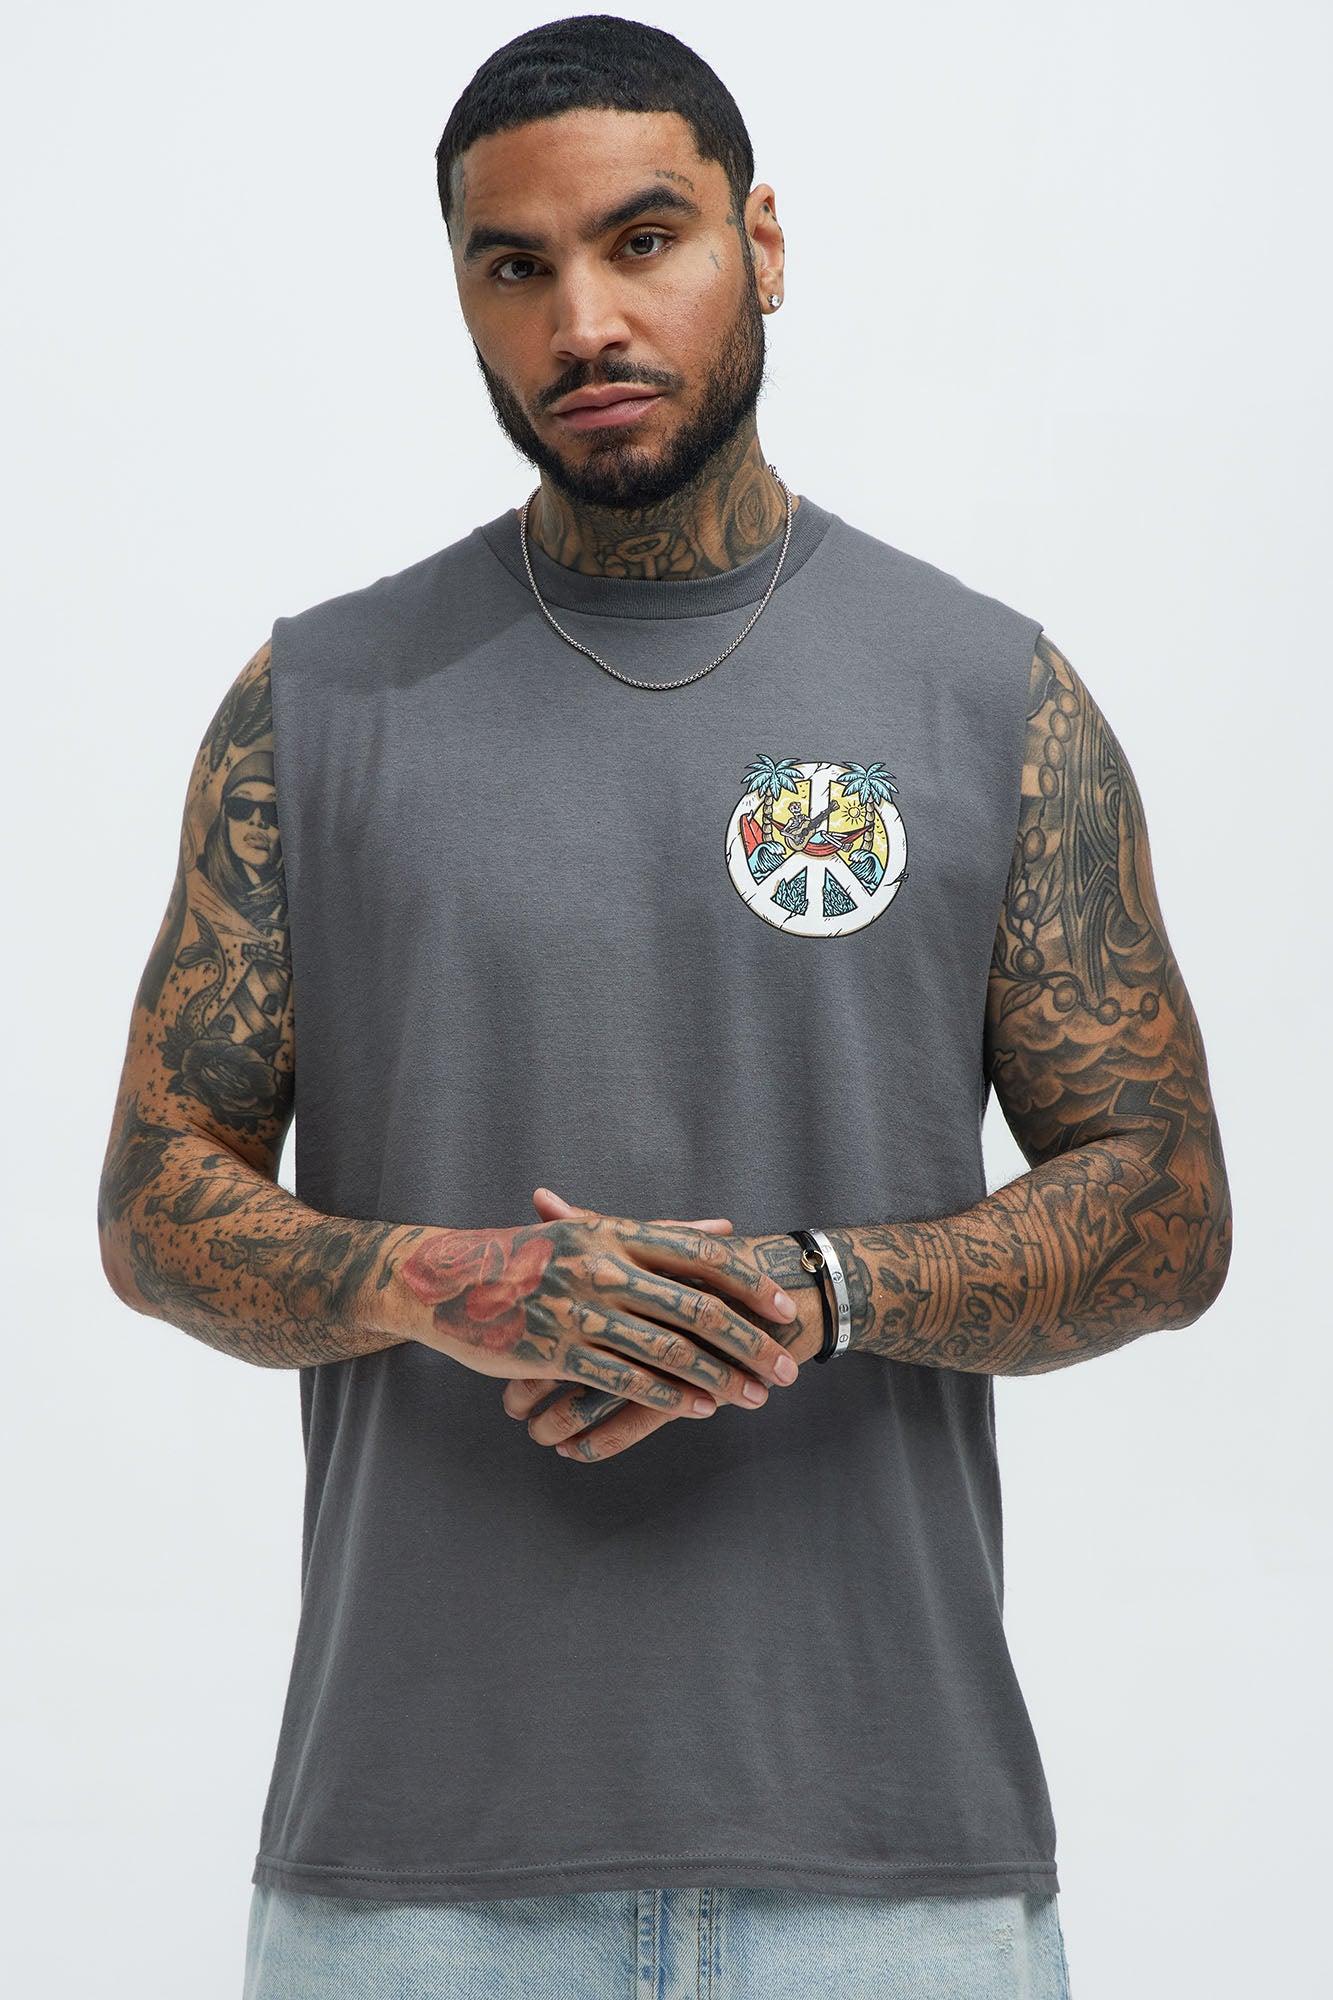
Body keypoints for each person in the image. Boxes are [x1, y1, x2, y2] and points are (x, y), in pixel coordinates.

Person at [96, 14, 1233, 1997]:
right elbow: (152, 1200)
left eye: (645, 240)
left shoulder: (989, 695)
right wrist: (442, 1280)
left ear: (759, 243)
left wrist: (812, 1289)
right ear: (461, 293)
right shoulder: (317, 708)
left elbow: (1165, 1204)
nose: (585, 322)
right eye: (513, 266)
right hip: (412, 1885)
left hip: (891, 1871)